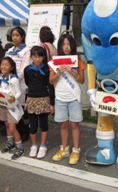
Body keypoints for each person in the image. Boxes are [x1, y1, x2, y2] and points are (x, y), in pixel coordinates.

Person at [49, 34, 85, 165]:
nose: (66, 47)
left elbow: (82, 80)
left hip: (74, 97)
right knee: (63, 125)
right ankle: (64, 149)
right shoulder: (54, 61)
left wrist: (72, 71)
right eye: (64, 44)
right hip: (60, 98)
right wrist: (59, 72)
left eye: (69, 44)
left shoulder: (78, 60)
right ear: (60, 46)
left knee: (75, 124)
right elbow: (51, 80)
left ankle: (76, 149)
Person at [24, 46, 55, 159]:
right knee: (33, 124)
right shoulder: (27, 69)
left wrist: (52, 103)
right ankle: (33, 145)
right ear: (31, 56)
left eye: (40, 56)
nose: (37, 59)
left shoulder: (47, 69)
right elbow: (28, 83)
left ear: (43, 57)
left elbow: (50, 86)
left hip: (44, 98)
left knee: (43, 123)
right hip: (32, 98)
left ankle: (43, 146)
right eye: (35, 56)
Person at [5, 27, 31, 141]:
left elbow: (23, 69)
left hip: (21, 83)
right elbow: (4, 65)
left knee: (22, 107)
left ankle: (25, 131)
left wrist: (13, 79)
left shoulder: (27, 51)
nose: (14, 37)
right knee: (12, 106)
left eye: (17, 35)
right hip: (8, 84)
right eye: (13, 35)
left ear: (22, 37)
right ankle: (16, 131)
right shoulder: (9, 50)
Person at [0, 57, 25, 160]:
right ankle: (10, 143)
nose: (3, 67)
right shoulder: (0, 79)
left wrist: (14, 98)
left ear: (12, 67)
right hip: (3, 105)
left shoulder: (13, 79)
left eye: (6, 65)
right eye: (2, 64)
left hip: (12, 107)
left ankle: (20, 148)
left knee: (13, 128)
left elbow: (18, 92)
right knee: (7, 126)